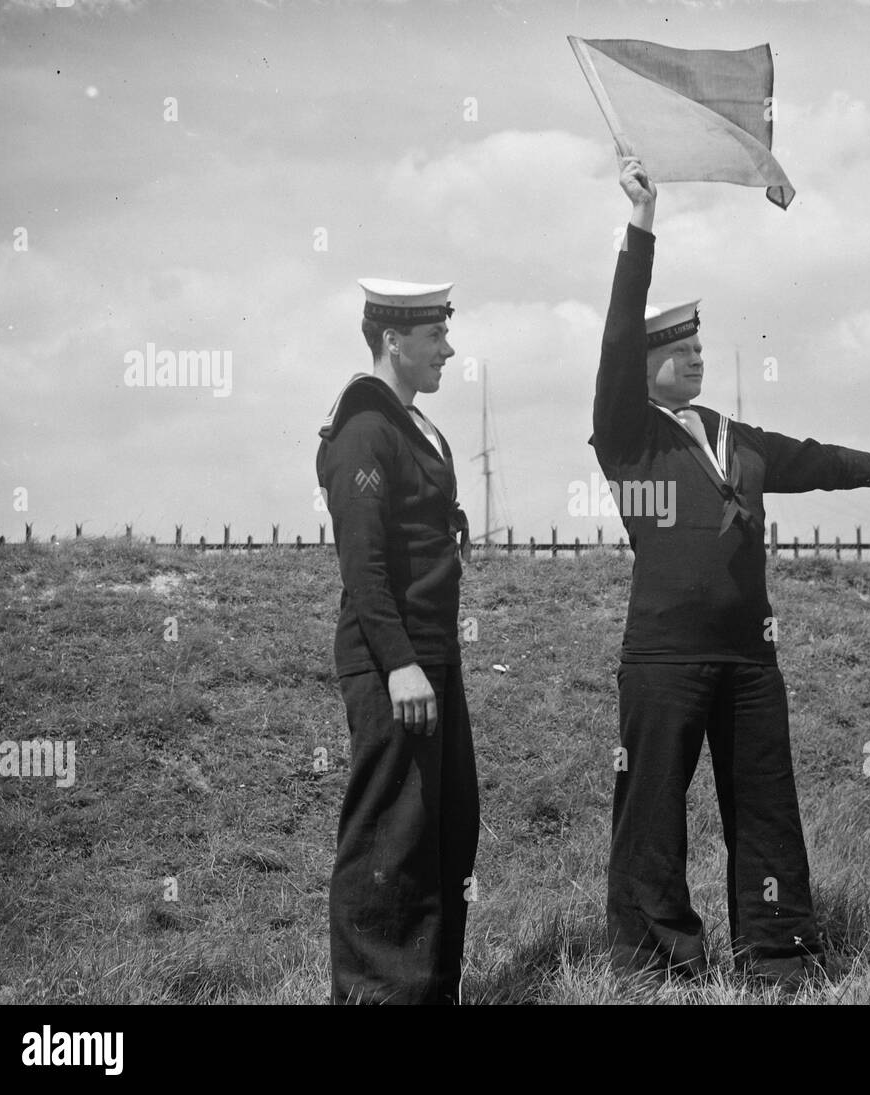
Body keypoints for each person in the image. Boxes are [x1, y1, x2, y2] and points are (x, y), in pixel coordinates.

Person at [592, 157, 870, 987]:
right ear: (643, 363)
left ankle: (779, 956)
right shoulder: (626, 434)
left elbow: (820, 459)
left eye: (702, 347)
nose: (698, 360)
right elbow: (614, 337)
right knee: (650, 813)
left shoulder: (735, 436)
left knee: (766, 805)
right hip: (664, 659)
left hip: (751, 661)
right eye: (680, 349)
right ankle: (656, 963)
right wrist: (641, 226)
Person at [316, 279, 478, 1004]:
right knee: (391, 836)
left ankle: (430, 989)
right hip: (396, 662)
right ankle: (377, 995)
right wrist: (402, 664)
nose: (448, 347)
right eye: (435, 336)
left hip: (432, 655)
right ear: (392, 341)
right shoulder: (364, 430)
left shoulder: (415, 428)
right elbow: (365, 564)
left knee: (445, 829)